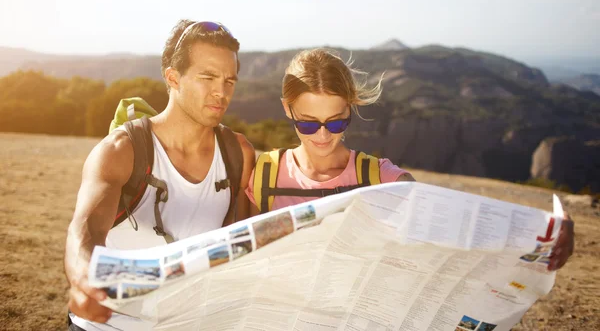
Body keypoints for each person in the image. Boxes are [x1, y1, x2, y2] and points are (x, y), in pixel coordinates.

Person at [246, 48, 574, 271]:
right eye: (307, 122)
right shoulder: (263, 176)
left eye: (336, 122)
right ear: (287, 109)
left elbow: (455, 221)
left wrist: (548, 230)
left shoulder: (380, 177)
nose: (322, 135)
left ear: (350, 109)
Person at [64, 20, 256, 331]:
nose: (221, 92)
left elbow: (244, 244)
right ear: (173, 78)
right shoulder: (122, 150)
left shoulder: (238, 152)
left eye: (229, 80)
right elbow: (86, 227)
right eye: (207, 77)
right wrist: (84, 278)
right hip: (110, 325)